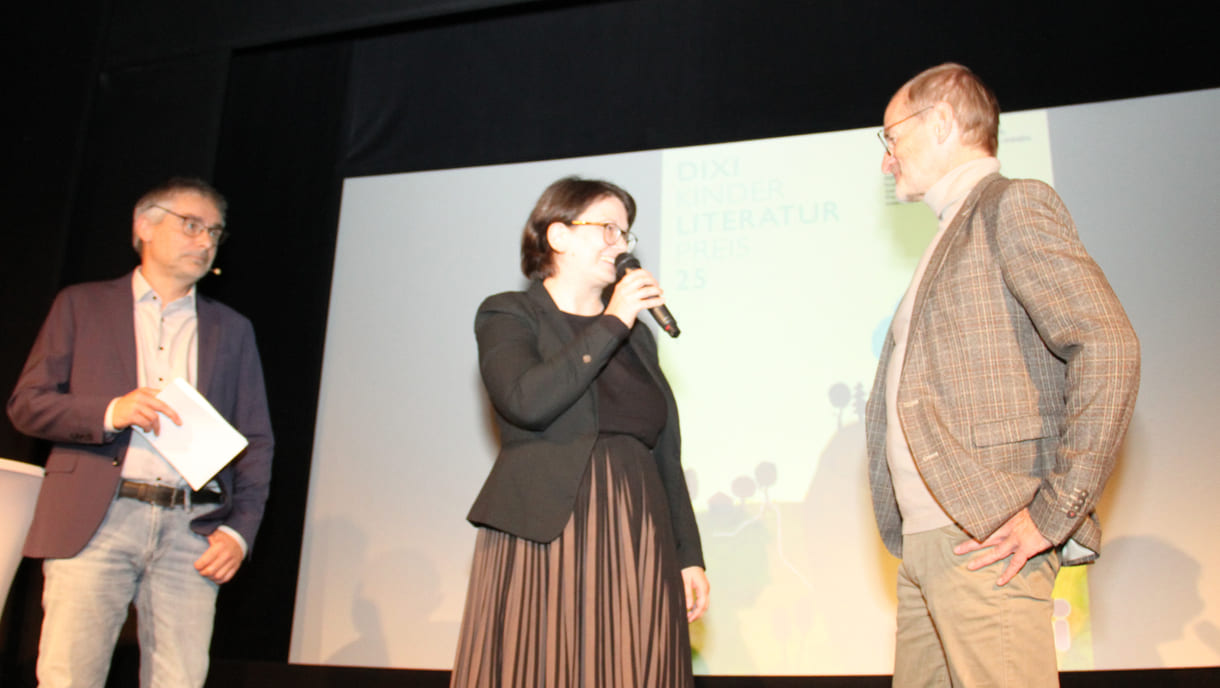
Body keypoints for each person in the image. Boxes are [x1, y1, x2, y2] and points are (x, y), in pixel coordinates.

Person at [865, 64, 1140, 686]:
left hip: (985, 537)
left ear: (939, 123)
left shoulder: (1012, 205)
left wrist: (1054, 512)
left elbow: (1109, 343)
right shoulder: (945, 234)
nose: (887, 161)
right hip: (926, 545)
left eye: (890, 139)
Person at [8, 177, 274, 688]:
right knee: (68, 677)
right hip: (94, 521)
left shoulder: (231, 329)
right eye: (192, 225)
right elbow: (27, 405)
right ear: (144, 225)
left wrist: (240, 530)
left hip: (192, 529)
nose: (205, 241)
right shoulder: (81, 306)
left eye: (215, 232)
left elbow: (256, 440)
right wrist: (112, 410)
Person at [450, 176, 709, 687]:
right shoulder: (508, 313)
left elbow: (663, 453)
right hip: (552, 529)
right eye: (608, 228)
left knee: (636, 667)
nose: (621, 244)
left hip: (639, 524)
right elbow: (527, 400)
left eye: (627, 234)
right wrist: (613, 321)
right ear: (558, 236)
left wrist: (688, 556)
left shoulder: (638, 339)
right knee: (548, 665)